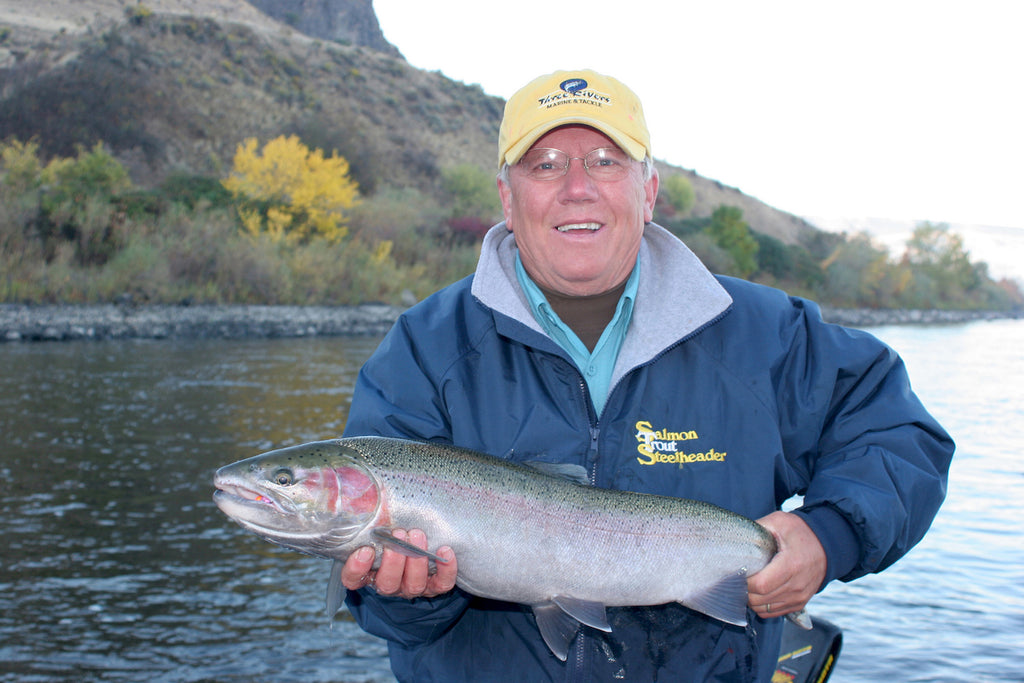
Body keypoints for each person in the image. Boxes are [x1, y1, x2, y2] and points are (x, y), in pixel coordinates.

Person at [339, 69, 954, 682]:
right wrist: (409, 597)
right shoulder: (423, 349)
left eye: (606, 161)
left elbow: (900, 435)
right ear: (507, 195)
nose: (576, 187)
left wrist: (830, 535)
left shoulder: (766, 334)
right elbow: (387, 615)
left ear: (649, 190)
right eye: (545, 164)